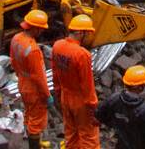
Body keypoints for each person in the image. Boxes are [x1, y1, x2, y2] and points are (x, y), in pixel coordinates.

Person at [52, 15, 99, 149]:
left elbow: (55, 73)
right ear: (81, 32)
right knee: (89, 138)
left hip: (65, 96)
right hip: (81, 102)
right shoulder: (82, 54)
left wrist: (58, 93)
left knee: (71, 135)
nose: (88, 36)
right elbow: (87, 84)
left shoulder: (57, 46)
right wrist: (93, 107)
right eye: (87, 33)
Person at [11, 10, 52, 149]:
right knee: (36, 121)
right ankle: (34, 145)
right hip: (34, 90)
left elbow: (13, 61)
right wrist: (47, 95)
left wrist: (21, 76)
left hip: (22, 82)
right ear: (35, 28)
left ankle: (35, 141)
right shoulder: (33, 49)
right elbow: (39, 77)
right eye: (40, 28)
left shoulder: (16, 38)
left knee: (29, 114)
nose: (41, 31)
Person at [95, 65, 145, 149]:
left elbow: (99, 115)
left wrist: (116, 124)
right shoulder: (144, 110)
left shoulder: (114, 99)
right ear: (141, 87)